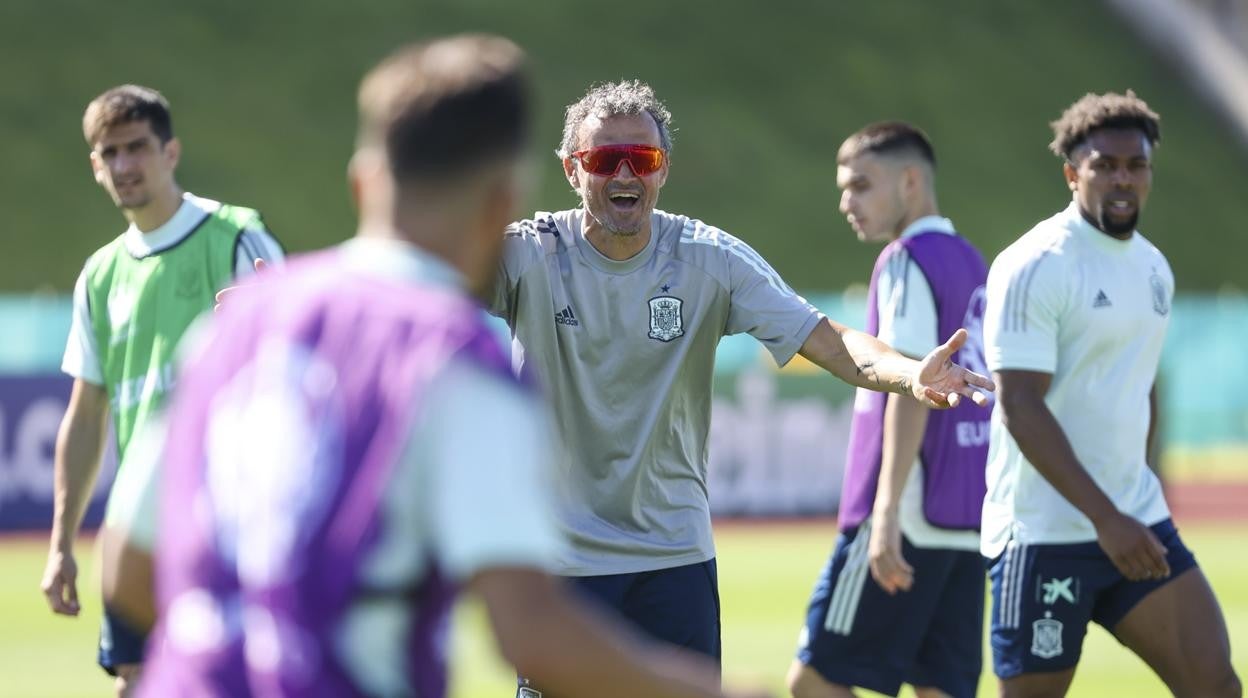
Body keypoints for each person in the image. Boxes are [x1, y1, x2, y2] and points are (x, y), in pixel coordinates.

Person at [111, 34, 768, 698]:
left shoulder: (242, 324)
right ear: (502, 202)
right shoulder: (453, 360)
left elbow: (127, 572)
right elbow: (531, 633)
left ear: (363, 180)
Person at [491, 81, 994, 696]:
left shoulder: (708, 259)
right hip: (559, 568)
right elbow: (422, 291)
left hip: (673, 562)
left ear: (663, 169)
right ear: (573, 169)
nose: (625, 173)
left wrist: (911, 374)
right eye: (603, 160)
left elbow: (830, 340)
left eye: (642, 160)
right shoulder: (528, 256)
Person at [982, 90, 1241, 697]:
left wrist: (1143, 491)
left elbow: (1141, 384)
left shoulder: (1154, 268)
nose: (1122, 178)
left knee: (1215, 685)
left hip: (1135, 521)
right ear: (1074, 174)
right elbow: (1019, 405)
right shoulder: (1035, 264)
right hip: (1045, 535)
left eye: (1137, 165)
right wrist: (1106, 519)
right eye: (1105, 165)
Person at [40, 83, 283, 696]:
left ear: (170, 152)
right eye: (109, 153)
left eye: (137, 148)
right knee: (137, 681)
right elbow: (87, 414)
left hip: (227, 523)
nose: (124, 166)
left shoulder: (234, 236)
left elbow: (295, 369)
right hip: (141, 526)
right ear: (95, 165)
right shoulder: (99, 274)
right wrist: (62, 542)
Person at [788, 122, 990, 698]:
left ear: (908, 181)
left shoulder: (906, 260)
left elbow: (913, 389)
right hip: (964, 517)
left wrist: (885, 512)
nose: (845, 202)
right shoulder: (971, 259)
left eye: (860, 185)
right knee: (940, 688)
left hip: (909, 514)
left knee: (814, 681)